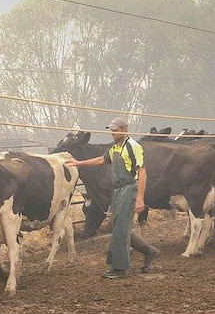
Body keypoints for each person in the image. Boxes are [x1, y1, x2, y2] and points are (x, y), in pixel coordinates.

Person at [65, 116, 159, 279]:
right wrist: (79, 163)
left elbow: (142, 172)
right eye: (112, 131)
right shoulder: (115, 147)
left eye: (115, 130)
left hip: (129, 188)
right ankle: (149, 251)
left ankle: (119, 269)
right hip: (118, 190)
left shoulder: (133, 146)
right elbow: (101, 160)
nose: (113, 133)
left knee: (121, 229)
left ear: (124, 130)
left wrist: (140, 198)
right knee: (120, 227)